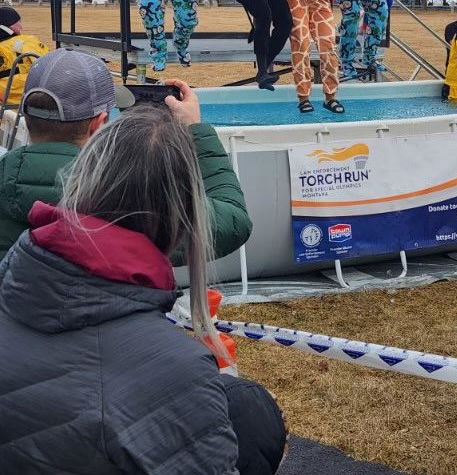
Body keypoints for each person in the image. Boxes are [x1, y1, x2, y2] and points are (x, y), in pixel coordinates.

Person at [0, 106, 287, 474]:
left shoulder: (16, 279)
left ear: (80, 180)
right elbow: (234, 218)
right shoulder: (176, 369)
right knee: (251, 411)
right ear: (182, 217)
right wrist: (197, 130)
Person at [0, 48, 252, 262]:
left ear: (26, 115)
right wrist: (194, 130)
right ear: (98, 123)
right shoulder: (131, 194)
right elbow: (233, 223)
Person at [0, 6, 48, 107]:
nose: (21, 27)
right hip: (22, 101)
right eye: (19, 22)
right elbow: (48, 65)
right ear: (10, 25)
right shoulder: (26, 42)